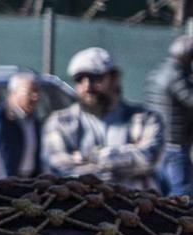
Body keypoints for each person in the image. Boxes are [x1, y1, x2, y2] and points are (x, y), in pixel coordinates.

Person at [44, 46, 164, 193]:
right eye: (80, 79)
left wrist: (90, 157)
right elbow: (59, 167)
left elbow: (148, 158)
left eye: (95, 78)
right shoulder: (60, 121)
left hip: (136, 206)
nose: (87, 86)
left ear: (115, 78)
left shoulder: (145, 119)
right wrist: (122, 163)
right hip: (79, 206)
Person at [144, 36, 193, 195]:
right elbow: (189, 99)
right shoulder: (176, 76)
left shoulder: (159, 71)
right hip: (174, 144)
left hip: (160, 141)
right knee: (182, 194)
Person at [0, 70, 43, 180]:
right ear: (13, 93)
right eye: (29, 92)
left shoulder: (33, 121)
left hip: (28, 183)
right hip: (3, 184)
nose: (35, 97)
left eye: (37, 92)